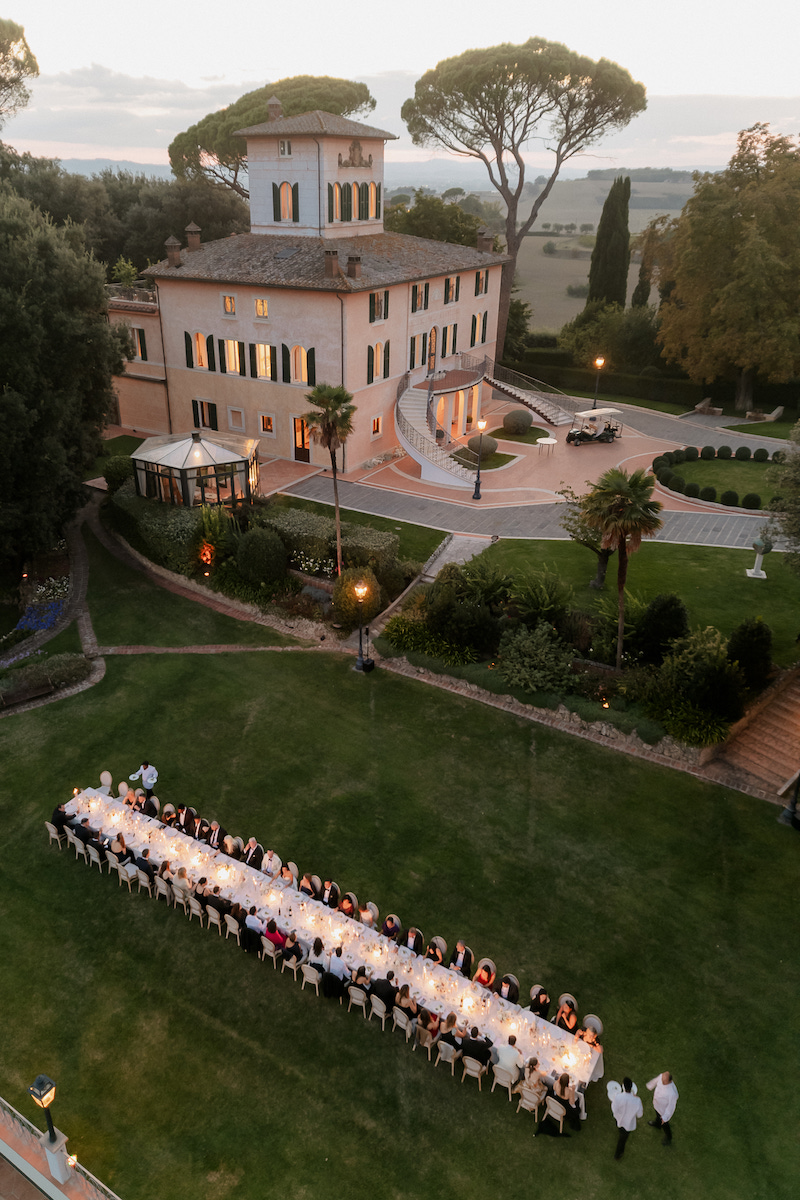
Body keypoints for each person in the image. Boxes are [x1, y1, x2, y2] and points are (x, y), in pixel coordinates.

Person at [612, 1078, 643, 1160]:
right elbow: (640, 1115)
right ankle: (618, 1155)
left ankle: (617, 1155)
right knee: (622, 1140)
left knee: (620, 1132)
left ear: (623, 1086)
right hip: (629, 1124)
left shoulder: (618, 1097)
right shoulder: (637, 1100)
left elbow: (614, 1109)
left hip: (619, 1120)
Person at [646, 1071, 679, 1146]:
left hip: (663, 1111)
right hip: (657, 1106)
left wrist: (665, 1117)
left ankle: (668, 1137)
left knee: (665, 1125)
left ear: (669, 1081)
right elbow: (655, 1080)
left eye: (664, 1081)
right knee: (657, 1115)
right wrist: (650, 1085)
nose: (662, 1082)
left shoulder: (672, 1093)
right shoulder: (662, 1077)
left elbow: (671, 1107)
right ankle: (658, 1125)